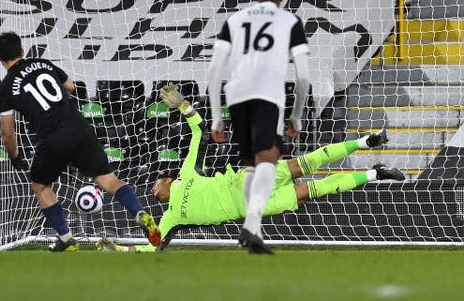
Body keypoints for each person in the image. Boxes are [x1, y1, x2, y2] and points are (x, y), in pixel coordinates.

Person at [95, 84, 404, 253]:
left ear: (167, 178)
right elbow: (155, 245)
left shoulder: (187, 171)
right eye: (152, 189)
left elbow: (200, 131)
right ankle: (376, 173)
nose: (152, 189)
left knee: (309, 162)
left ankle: (365, 142)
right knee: (314, 189)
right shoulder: (171, 218)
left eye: (154, 184)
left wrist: (183, 106)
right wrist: (121, 251)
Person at [0, 31, 161, 252]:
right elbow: (71, 86)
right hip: (79, 127)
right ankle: (140, 213)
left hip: (52, 137)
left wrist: (15, 157)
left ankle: (66, 238)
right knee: (109, 181)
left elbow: (7, 132)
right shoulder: (43, 63)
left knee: (40, 186)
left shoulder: (6, 87)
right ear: (22, 51)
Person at [207, 0, 311, 253]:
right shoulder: (290, 20)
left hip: (236, 94)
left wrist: (217, 115)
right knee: (269, 158)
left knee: (253, 163)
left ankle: (251, 229)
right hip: (267, 94)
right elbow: (302, 75)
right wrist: (297, 114)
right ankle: (252, 225)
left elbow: (215, 69)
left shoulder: (235, 19)